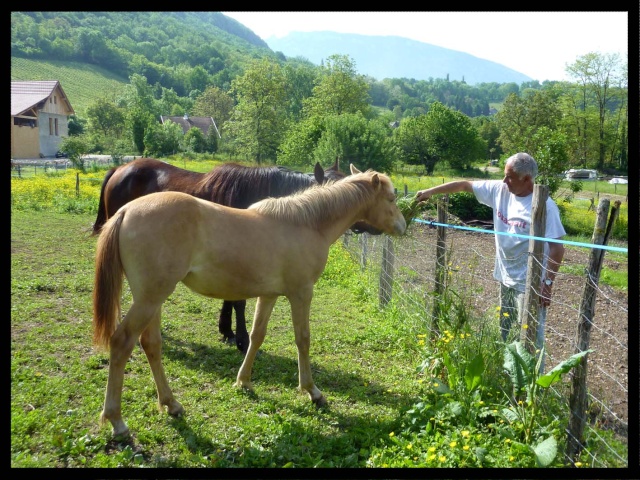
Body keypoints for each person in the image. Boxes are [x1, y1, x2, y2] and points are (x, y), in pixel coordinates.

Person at [415, 152, 565, 372]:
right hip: (504, 275)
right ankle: (507, 373)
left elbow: (557, 248)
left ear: (527, 180)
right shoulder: (500, 190)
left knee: (531, 337)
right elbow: (465, 185)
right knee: (505, 329)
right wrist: (429, 192)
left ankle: (534, 387)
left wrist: (548, 284)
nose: (504, 181)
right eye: (504, 175)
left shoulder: (545, 207)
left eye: (510, 177)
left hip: (529, 283)